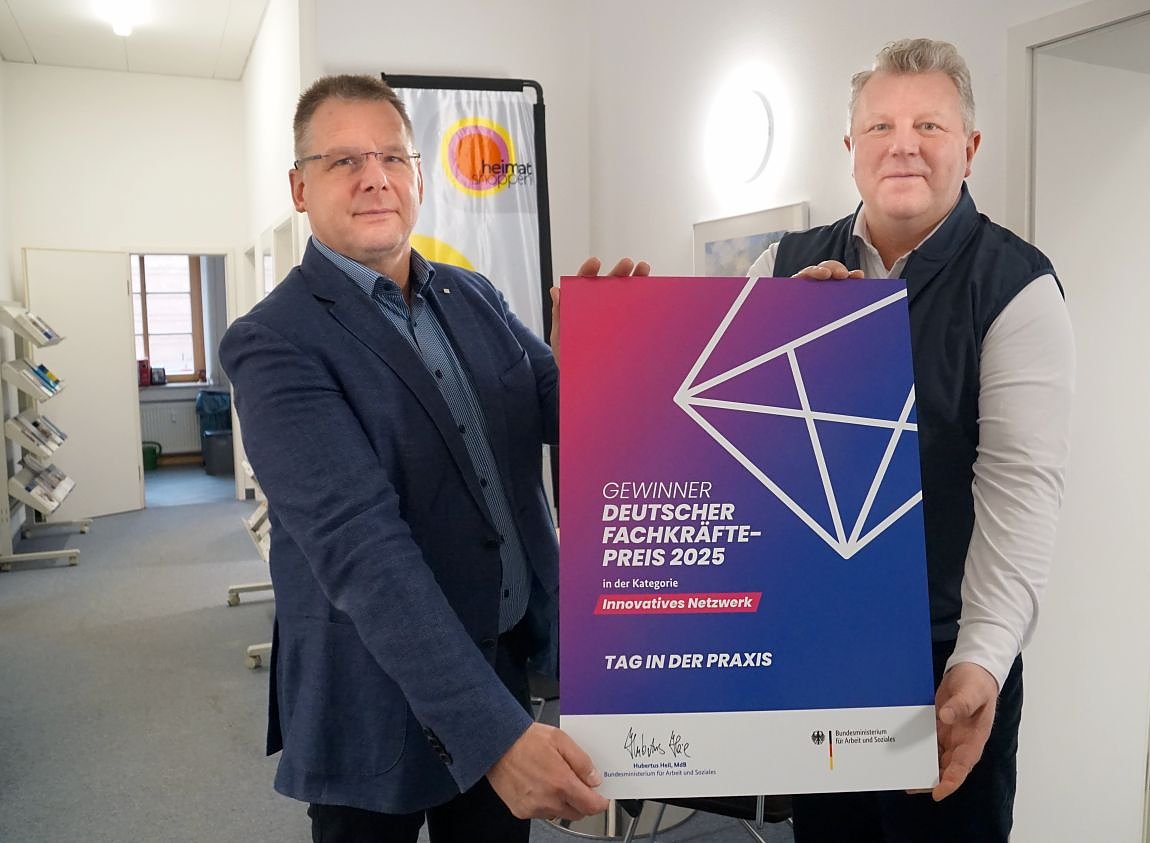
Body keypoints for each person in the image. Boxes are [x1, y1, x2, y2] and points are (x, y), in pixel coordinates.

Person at [220, 74, 645, 843]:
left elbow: (571, 414)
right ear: (300, 187)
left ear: (419, 175)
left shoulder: (474, 295)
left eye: (392, 156)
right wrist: (495, 736)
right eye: (344, 160)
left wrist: (605, 341)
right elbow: (363, 549)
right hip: (373, 688)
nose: (374, 176)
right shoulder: (274, 341)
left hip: (500, 662)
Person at [748, 39, 1075, 841]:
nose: (903, 144)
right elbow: (728, 460)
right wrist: (773, 339)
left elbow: (1020, 493)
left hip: (942, 662)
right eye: (881, 126)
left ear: (970, 146)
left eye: (929, 124)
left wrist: (982, 659)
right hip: (819, 648)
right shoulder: (782, 267)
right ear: (850, 146)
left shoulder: (1016, 287)